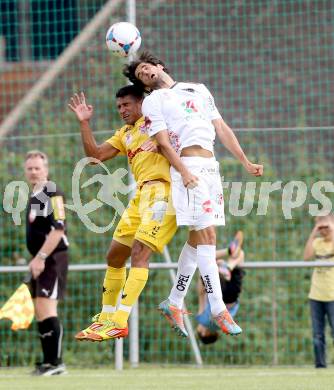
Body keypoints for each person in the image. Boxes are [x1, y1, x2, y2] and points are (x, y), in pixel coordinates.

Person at [124, 51, 263, 337]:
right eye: (139, 75)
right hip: (187, 167)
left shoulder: (198, 89)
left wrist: (245, 161)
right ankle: (217, 308)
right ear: (144, 86)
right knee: (208, 237)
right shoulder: (153, 101)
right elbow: (162, 142)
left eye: (146, 67)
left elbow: (221, 128)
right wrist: (184, 172)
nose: (144, 73)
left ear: (159, 65)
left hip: (211, 167)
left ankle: (174, 301)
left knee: (198, 238)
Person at [68, 85, 177, 341]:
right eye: (118, 107)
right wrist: (84, 123)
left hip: (164, 193)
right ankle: (105, 318)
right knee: (115, 256)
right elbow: (94, 156)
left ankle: (119, 320)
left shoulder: (158, 121)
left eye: (127, 105)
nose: (122, 110)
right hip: (140, 195)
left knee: (140, 252)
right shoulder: (125, 133)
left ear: (142, 103)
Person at [24, 150, 69, 376]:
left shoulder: (53, 192)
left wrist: (41, 257)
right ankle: (48, 362)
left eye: (37, 168)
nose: (33, 172)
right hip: (39, 260)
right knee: (40, 310)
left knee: (48, 308)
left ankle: (57, 363)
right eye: (30, 168)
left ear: (46, 170)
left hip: (52, 259)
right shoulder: (35, 195)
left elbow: (58, 229)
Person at [196, 231, 245, 344]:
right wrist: (201, 275)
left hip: (232, 294)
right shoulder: (203, 320)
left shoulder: (222, 327)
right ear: (204, 333)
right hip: (219, 292)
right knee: (203, 258)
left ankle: (228, 265)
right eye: (198, 331)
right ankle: (227, 262)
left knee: (240, 254)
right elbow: (201, 294)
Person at [303, 215, 334, 368]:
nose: (323, 230)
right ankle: (320, 366)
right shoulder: (317, 242)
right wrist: (314, 232)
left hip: (332, 295)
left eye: (325, 226)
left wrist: (331, 228)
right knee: (317, 335)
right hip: (316, 295)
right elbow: (306, 257)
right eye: (320, 227)